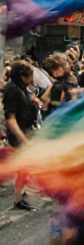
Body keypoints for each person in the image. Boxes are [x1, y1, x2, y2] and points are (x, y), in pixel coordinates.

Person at [5, 61, 40, 211]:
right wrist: (24, 140)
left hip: (26, 133)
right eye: (30, 76)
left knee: (25, 168)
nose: (32, 79)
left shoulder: (21, 88)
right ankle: (18, 198)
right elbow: (11, 120)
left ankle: (20, 195)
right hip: (19, 136)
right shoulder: (12, 90)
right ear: (22, 76)